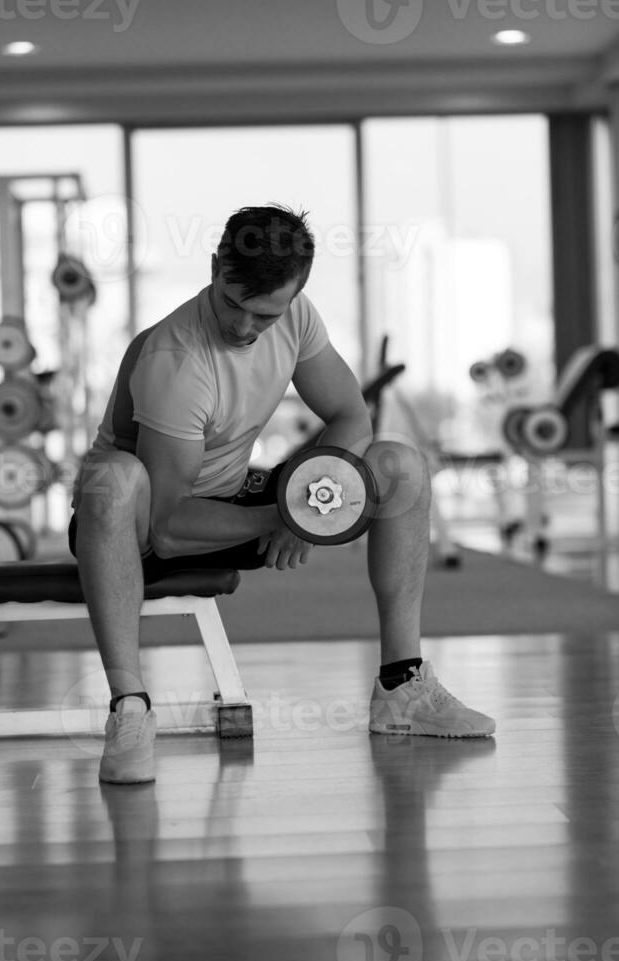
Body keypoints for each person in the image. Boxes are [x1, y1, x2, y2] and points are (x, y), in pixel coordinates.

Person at [70, 204, 495, 784]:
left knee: (399, 465)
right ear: (216, 265)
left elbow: (350, 415)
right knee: (113, 479)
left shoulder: (297, 319)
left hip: (231, 501)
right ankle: (130, 708)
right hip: (135, 527)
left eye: (264, 315)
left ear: (296, 295)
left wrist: (306, 498)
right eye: (232, 304)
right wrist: (284, 515)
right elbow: (166, 529)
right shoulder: (175, 357)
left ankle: (402, 685)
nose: (244, 328)